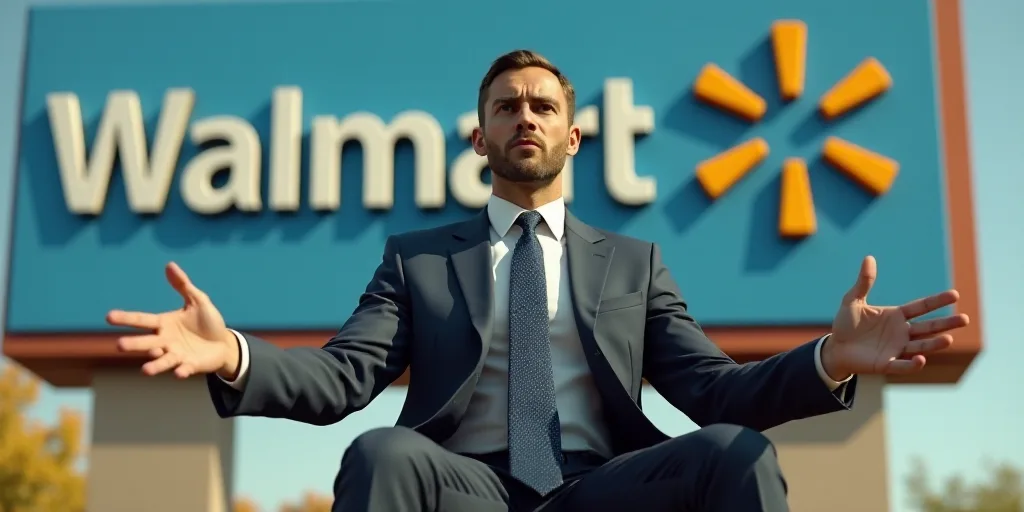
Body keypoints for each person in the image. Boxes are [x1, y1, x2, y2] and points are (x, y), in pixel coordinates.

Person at [109, 50, 969, 512]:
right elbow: (343, 378)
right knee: (379, 453)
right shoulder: (418, 259)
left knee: (737, 454)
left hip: (602, 487)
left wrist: (829, 359)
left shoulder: (633, 264)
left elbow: (714, 390)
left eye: (543, 105)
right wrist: (233, 358)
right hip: (465, 484)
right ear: (478, 139)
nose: (525, 116)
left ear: (573, 136)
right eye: (505, 106)